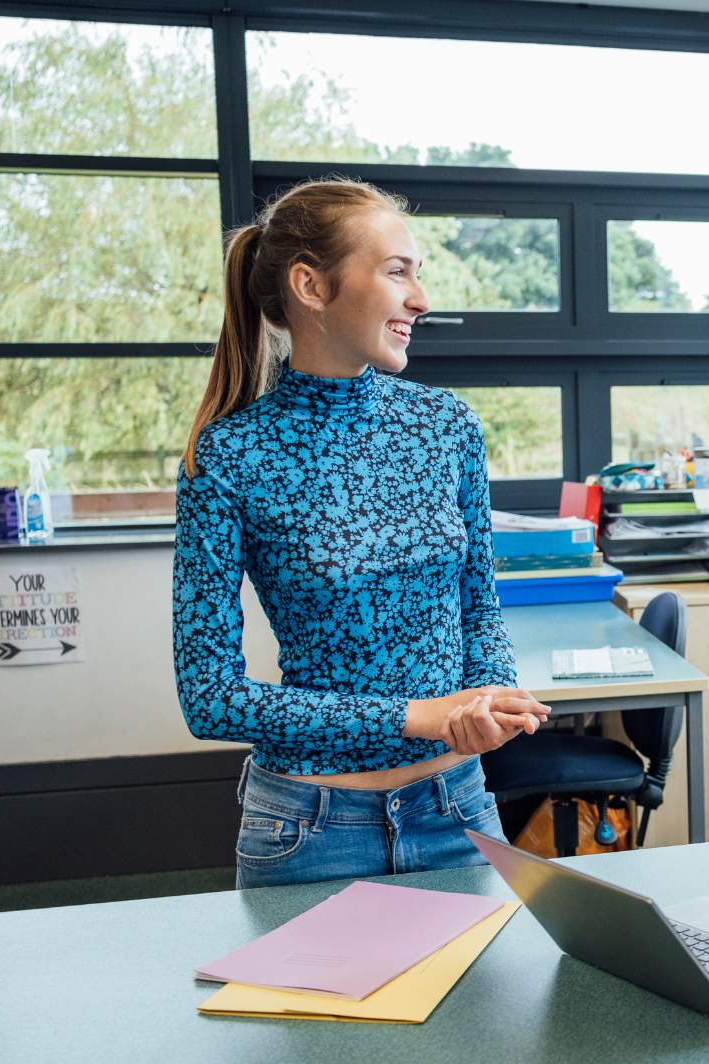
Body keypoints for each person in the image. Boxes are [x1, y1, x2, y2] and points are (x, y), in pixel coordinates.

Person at [172, 179, 550, 889]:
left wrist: (486, 699)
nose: (421, 299)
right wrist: (422, 716)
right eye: (396, 271)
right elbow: (210, 697)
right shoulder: (228, 455)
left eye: (418, 272)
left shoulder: (448, 428)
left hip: (458, 813)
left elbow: (478, 609)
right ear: (311, 286)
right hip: (309, 830)